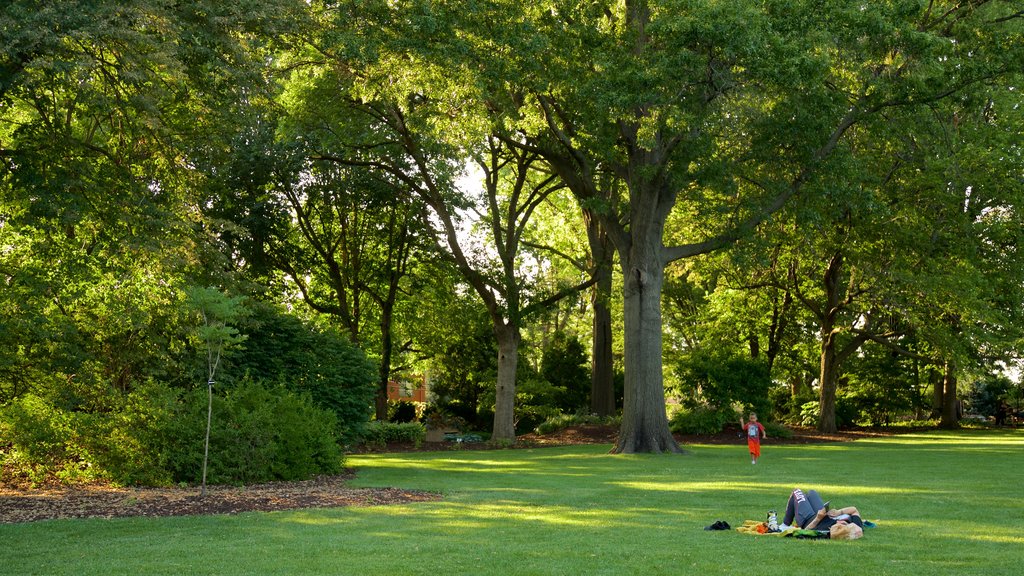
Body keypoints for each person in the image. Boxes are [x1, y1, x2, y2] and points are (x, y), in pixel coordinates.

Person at [783, 488, 864, 533]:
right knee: (812, 492)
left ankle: (785, 524)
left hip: (807, 519)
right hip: (821, 513)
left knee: (797, 492)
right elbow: (854, 510)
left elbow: (806, 531)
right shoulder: (855, 526)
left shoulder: (828, 529)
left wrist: (818, 518)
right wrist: (838, 512)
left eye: (839, 526)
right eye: (844, 524)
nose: (840, 522)